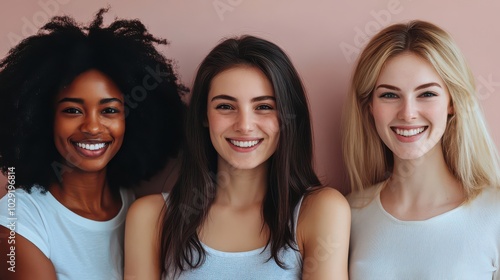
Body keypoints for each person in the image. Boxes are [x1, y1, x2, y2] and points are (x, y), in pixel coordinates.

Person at [124, 35, 350, 279]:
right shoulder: (151, 218)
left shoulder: (319, 211)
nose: (244, 126)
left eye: (264, 107)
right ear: (203, 116)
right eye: (225, 106)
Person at [0, 8, 185, 280]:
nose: (93, 127)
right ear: (42, 119)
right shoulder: (17, 220)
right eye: (72, 111)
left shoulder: (137, 209)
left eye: (109, 111)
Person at [343, 20, 500, 279]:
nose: (408, 113)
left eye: (427, 94)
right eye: (389, 95)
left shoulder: (494, 214)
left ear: (452, 102)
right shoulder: (349, 215)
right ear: (369, 107)